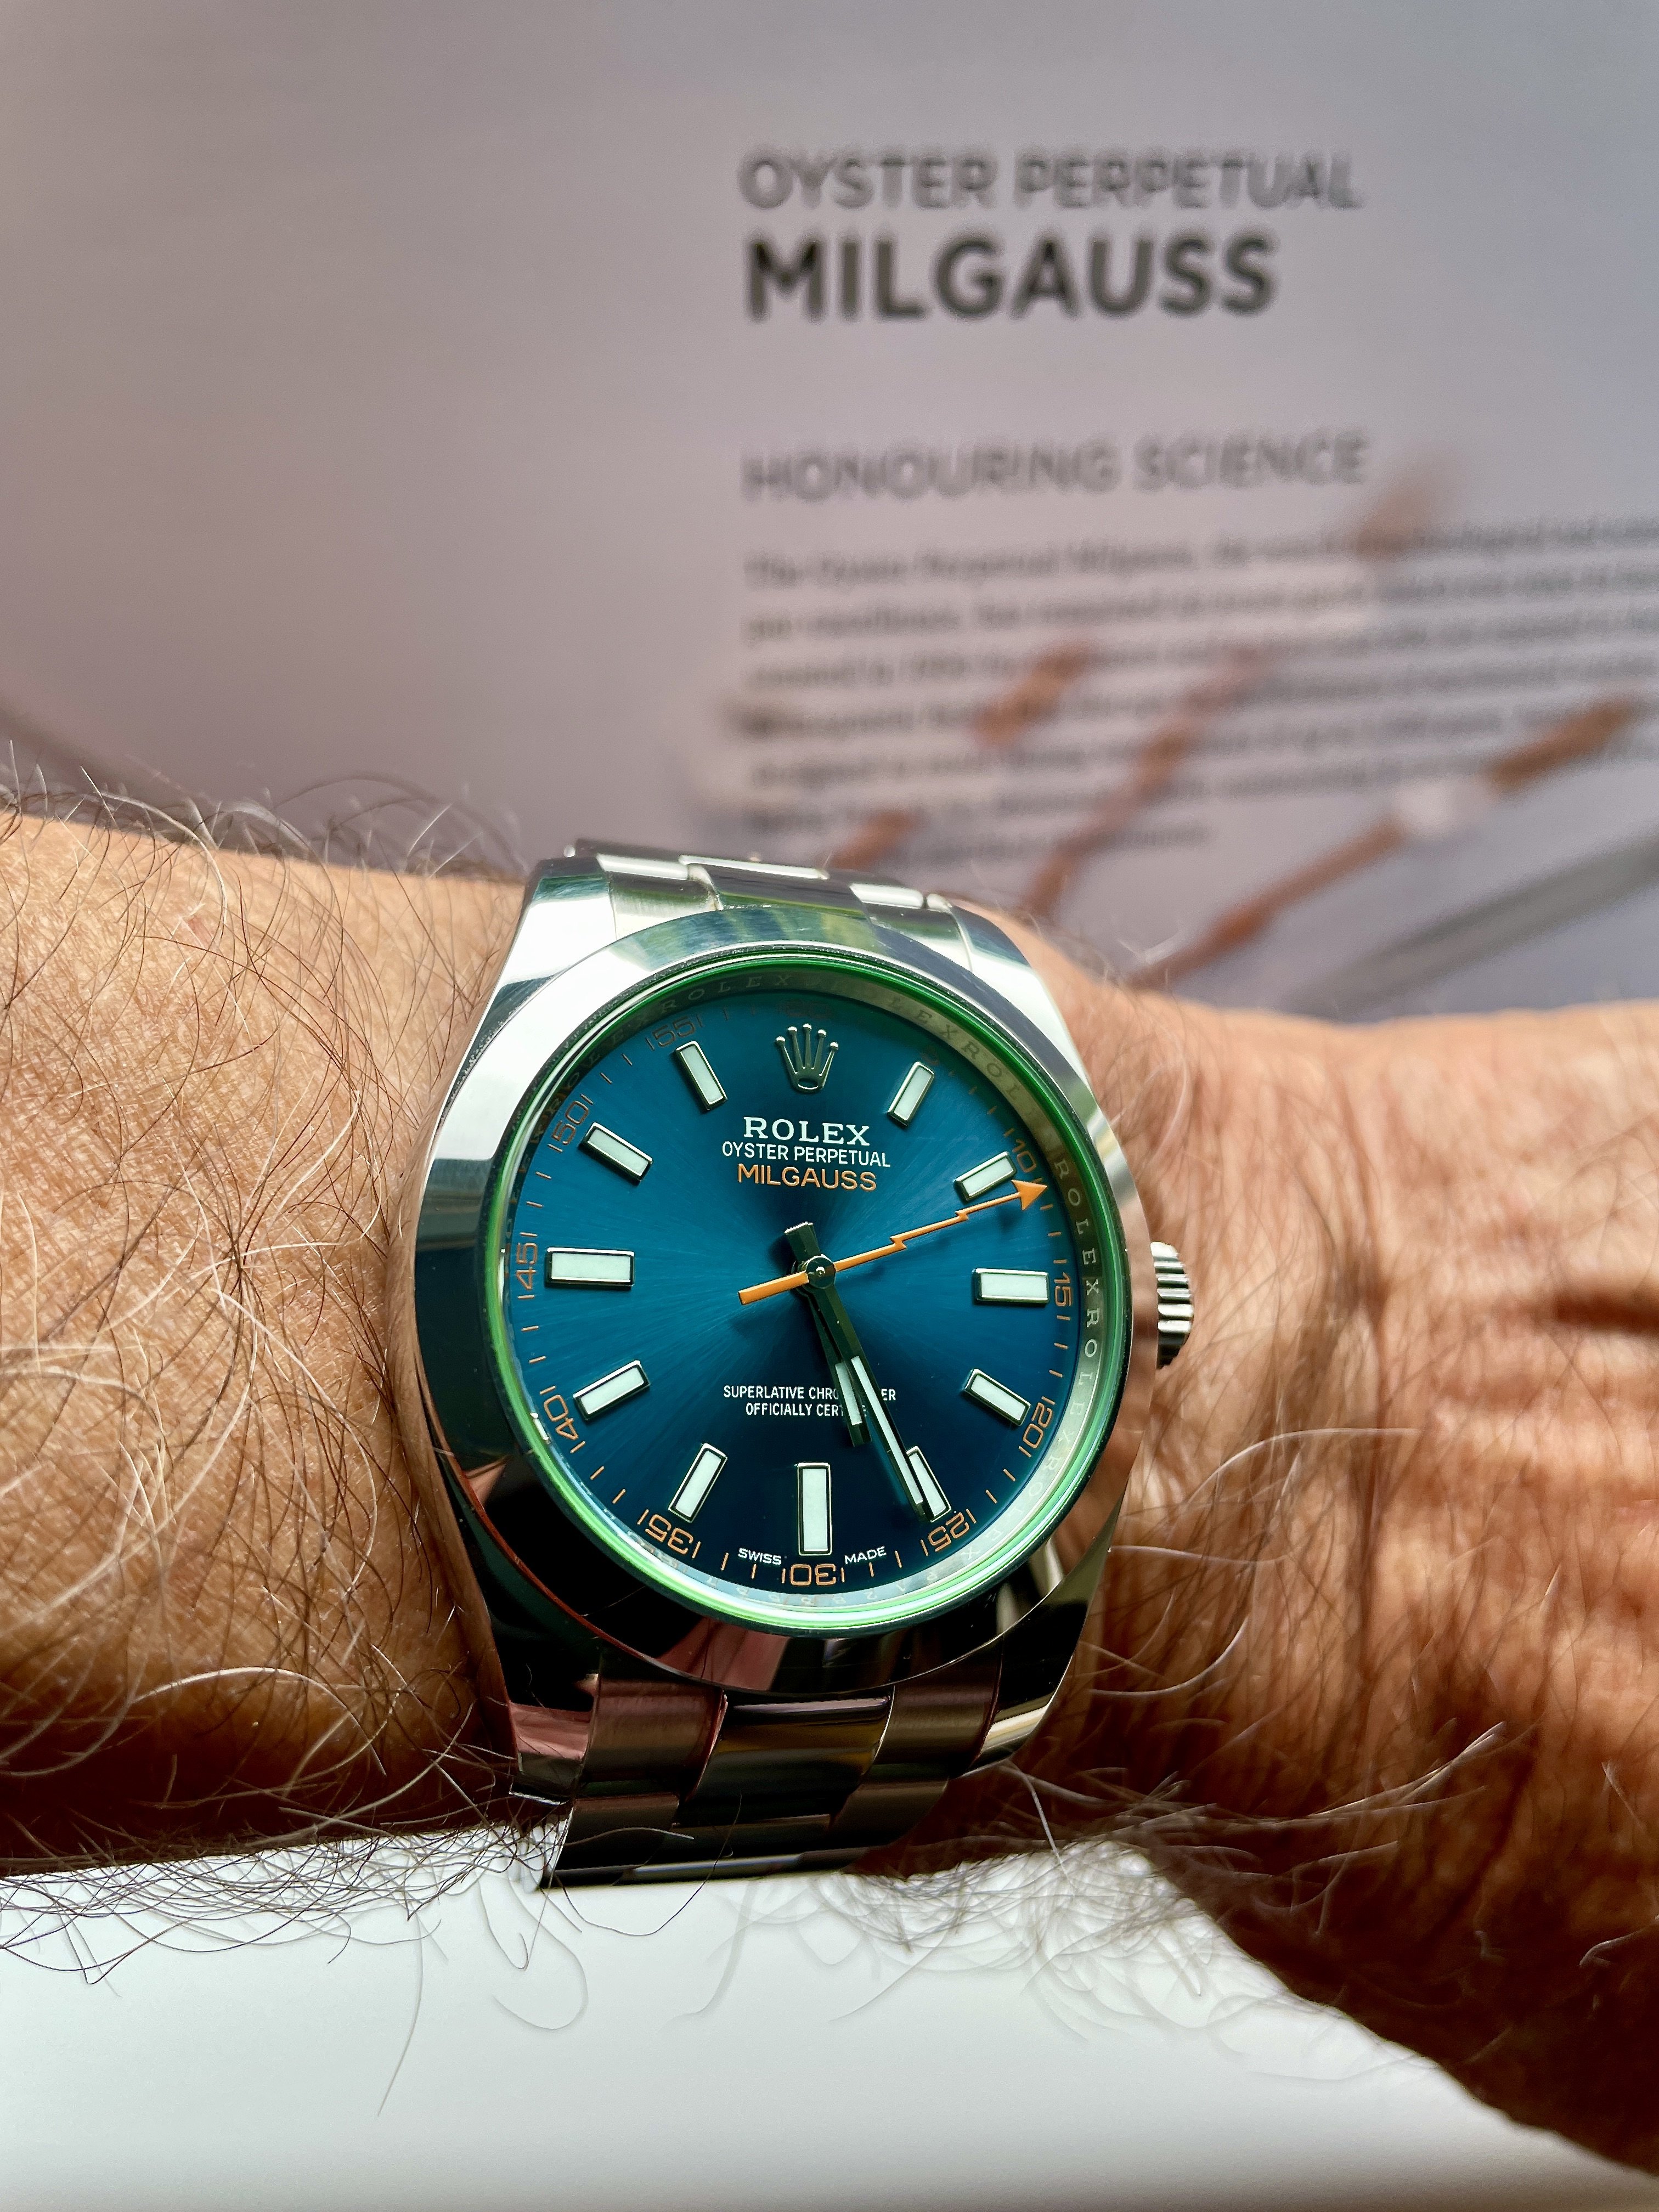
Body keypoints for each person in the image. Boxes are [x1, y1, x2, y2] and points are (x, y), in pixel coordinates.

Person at [2, 803, 1657, 2175]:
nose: (809, 1271)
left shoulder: (1064, 1295)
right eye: (801, 1263)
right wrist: (1322, 1444)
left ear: (1150, 1307)